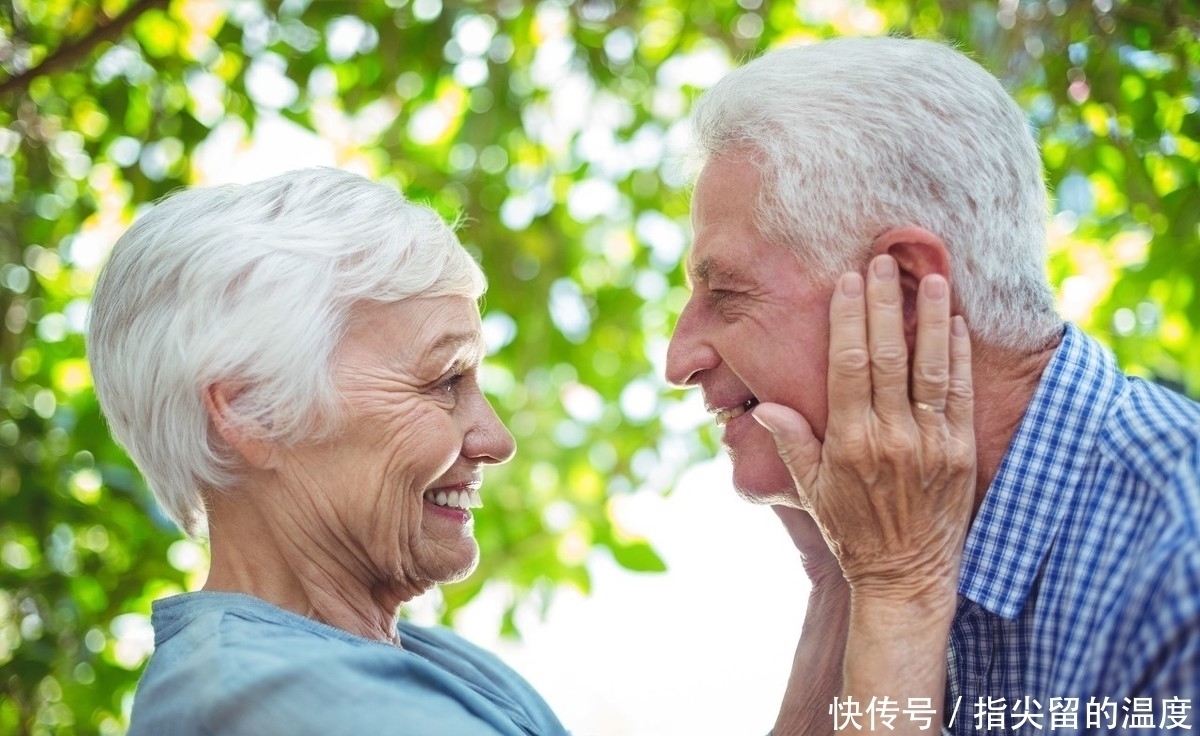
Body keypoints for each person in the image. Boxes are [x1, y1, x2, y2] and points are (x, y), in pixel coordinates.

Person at [87, 167, 972, 735]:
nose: (495, 439)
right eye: (443, 384)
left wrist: (841, 588)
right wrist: (902, 587)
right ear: (249, 413)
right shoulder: (272, 705)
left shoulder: (413, 665)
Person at [667, 36, 1200, 734]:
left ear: (908, 290)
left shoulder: (1179, 556)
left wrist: (894, 587)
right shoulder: (895, 529)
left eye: (729, 292)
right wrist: (844, 587)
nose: (679, 360)